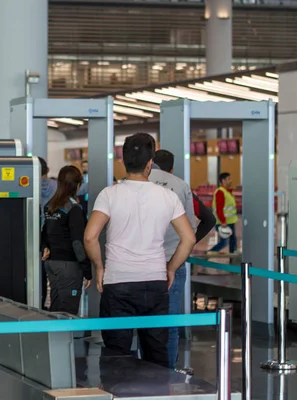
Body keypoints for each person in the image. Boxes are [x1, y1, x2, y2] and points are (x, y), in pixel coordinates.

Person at [84, 133, 196, 368]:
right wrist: (171, 269)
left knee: (116, 356)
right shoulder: (168, 196)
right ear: (149, 164)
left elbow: (90, 236)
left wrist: (99, 267)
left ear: (123, 162)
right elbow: (188, 238)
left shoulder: (109, 194)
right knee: (157, 356)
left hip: (118, 283)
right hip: (155, 282)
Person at [150, 149, 196, 368]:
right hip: (173, 260)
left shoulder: (134, 183)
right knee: (170, 323)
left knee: (142, 322)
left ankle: (143, 369)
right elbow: (191, 228)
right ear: (172, 167)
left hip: (142, 263)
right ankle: (167, 372)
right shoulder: (180, 185)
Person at [41, 166, 92, 315]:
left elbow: (44, 232)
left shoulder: (50, 206)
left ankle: (56, 338)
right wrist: (87, 271)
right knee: (68, 312)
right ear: (76, 185)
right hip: (68, 266)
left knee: (56, 308)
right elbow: (77, 243)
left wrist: (44, 247)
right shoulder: (73, 208)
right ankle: (68, 338)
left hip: (51, 264)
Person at [39, 157, 57, 309]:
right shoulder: (56, 186)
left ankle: (39, 302)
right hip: (53, 234)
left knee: (37, 273)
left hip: (35, 234)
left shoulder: (30, 186)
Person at [209, 172, 238, 254]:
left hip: (230, 222)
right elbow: (219, 209)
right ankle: (209, 254)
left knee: (233, 241)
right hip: (224, 223)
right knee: (224, 242)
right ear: (223, 181)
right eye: (229, 179)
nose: (231, 181)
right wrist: (223, 221)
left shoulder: (228, 192)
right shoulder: (220, 192)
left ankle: (233, 259)